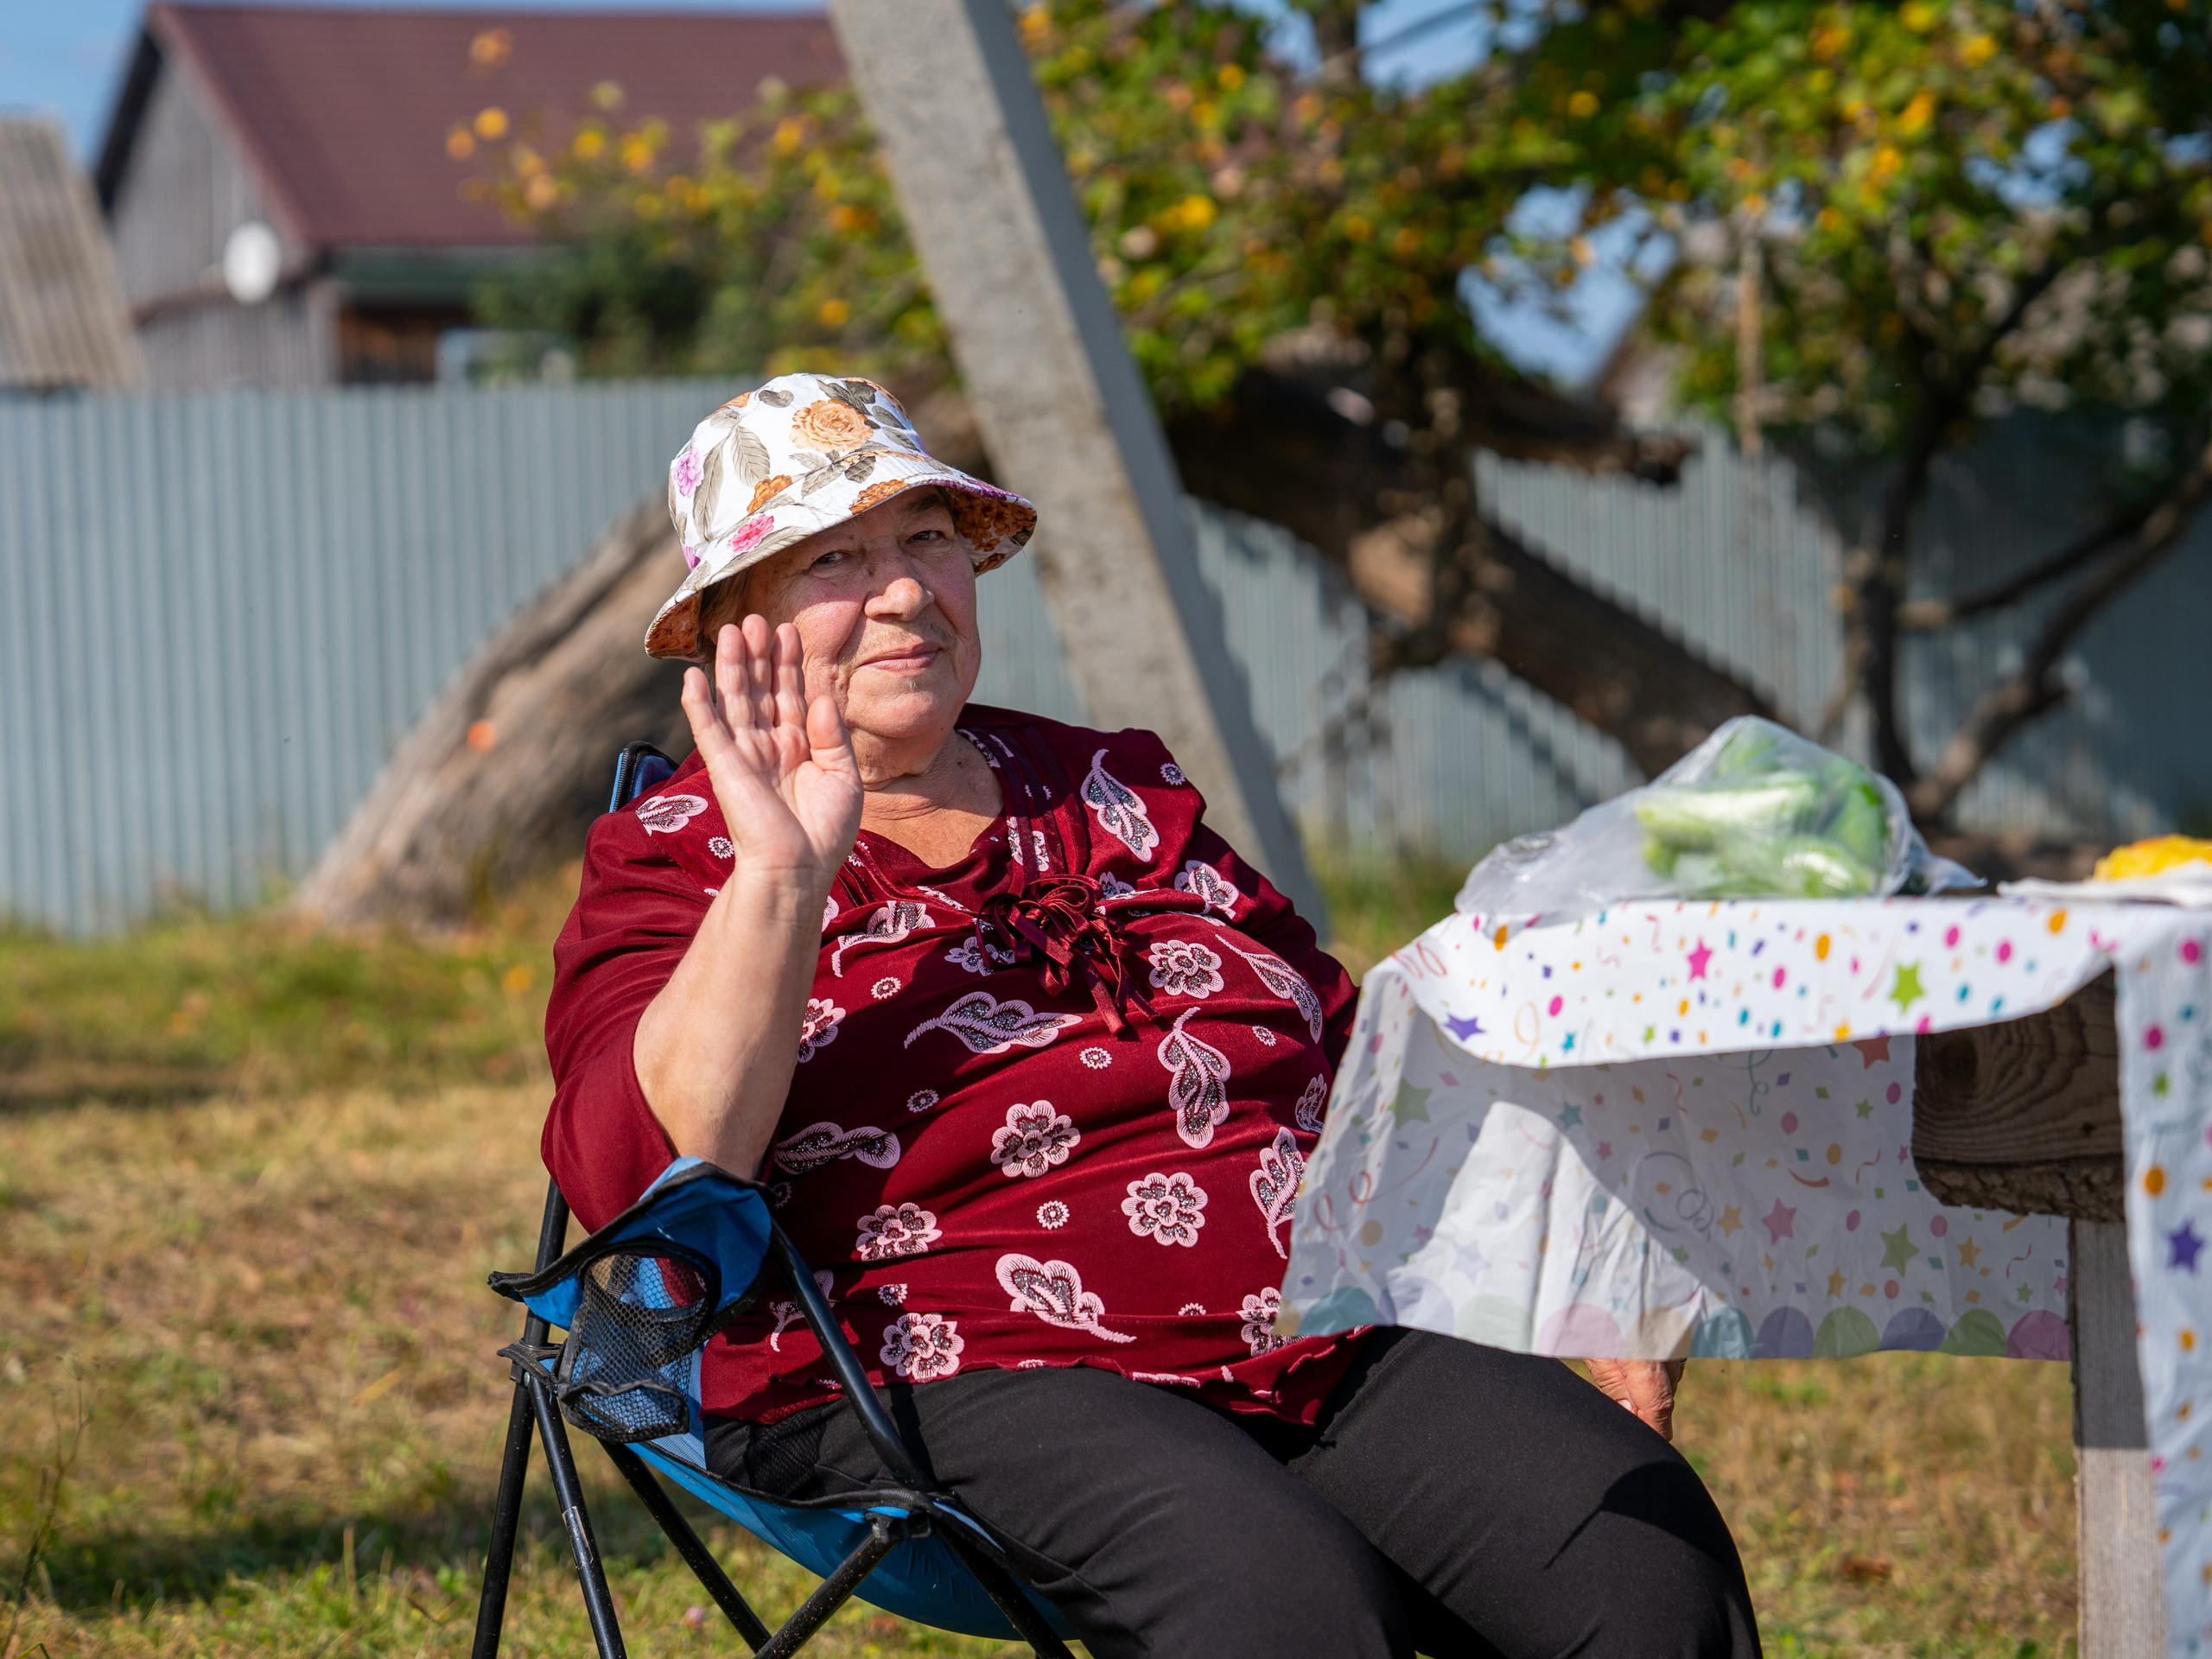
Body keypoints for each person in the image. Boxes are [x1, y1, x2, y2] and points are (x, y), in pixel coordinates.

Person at [543, 372, 1761, 1658]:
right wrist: (785, 877)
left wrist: (1566, 1242)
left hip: (1316, 1320)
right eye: (833, 559)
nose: (903, 592)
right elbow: (642, 1178)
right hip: (950, 1362)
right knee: (1284, 1611)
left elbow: (1345, 1045)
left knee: (1644, 1568)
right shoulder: (678, 854)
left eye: (928, 538)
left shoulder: (1105, 783)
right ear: (734, 624)